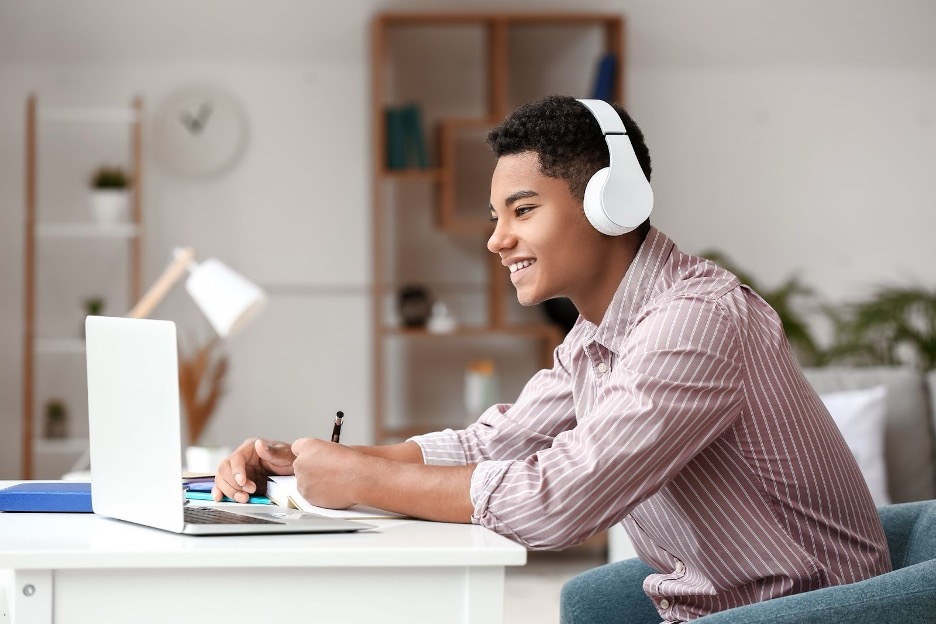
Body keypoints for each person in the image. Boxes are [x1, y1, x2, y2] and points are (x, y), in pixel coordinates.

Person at [213, 94, 890, 623]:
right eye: (494, 217)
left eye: (522, 210)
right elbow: (493, 442)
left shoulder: (696, 323)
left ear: (613, 204)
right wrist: (313, 461)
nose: (498, 240)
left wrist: (359, 484)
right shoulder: (597, 337)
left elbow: (562, 500)